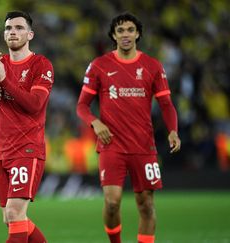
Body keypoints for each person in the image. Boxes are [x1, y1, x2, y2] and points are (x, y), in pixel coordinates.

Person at [77, 13, 181, 243]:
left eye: (130, 30)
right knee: (112, 202)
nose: (126, 34)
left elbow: (166, 104)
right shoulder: (99, 66)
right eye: (121, 30)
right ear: (113, 35)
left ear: (138, 34)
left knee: (146, 204)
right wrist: (95, 122)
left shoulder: (152, 66)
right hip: (111, 144)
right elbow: (82, 106)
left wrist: (173, 130)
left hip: (143, 146)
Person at [0, 11, 53, 243]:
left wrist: (4, 80)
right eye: (9, 28)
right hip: (3, 151)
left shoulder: (41, 65)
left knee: (14, 212)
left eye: (19, 28)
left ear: (30, 34)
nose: (13, 32)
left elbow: (35, 104)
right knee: (11, 219)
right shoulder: (0, 65)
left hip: (27, 149)